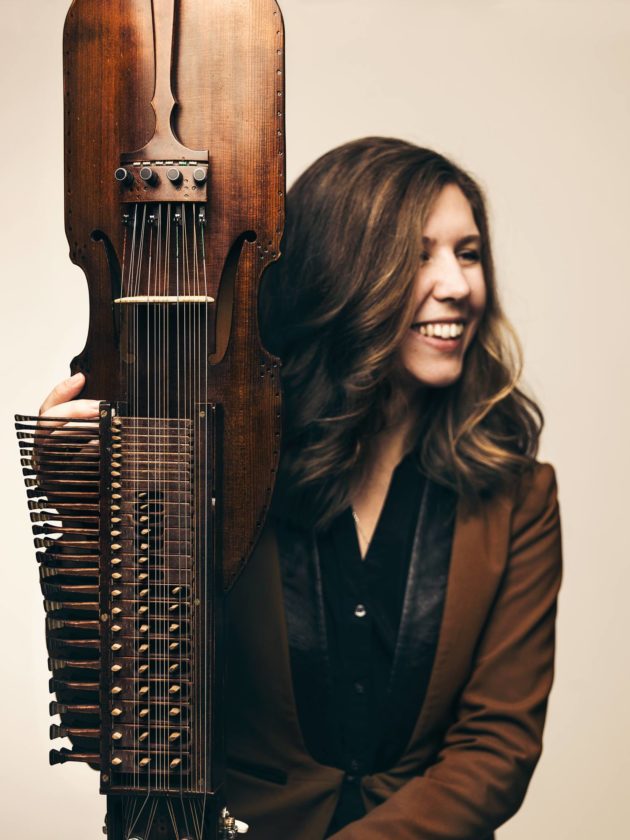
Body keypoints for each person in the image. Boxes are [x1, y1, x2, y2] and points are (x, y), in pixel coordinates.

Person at [39, 137, 562, 839]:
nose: (459, 285)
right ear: (339, 271)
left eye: (468, 254)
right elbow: (115, 723)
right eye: (417, 256)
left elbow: (497, 748)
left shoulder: (520, 494)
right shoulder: (224, 465)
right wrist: (84, 506)